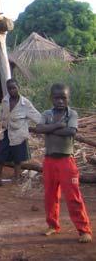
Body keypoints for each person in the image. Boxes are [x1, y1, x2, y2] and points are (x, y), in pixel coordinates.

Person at [35, 83, 92, 244]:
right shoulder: (47, 113)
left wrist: (50, 129)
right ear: (51, 98)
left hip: (66, 161)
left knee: (73, 196)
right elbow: (39, 129)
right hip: (49, 161)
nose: (60, 101)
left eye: (63, 98)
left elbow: (71, 132)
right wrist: (59, 126)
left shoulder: (72, 114)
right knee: (50, 195)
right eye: (57, 98)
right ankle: (53, 225)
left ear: (68, 98)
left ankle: (84, 230)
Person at [0, 79, 41, 188]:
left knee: (17, 159)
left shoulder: (25, 103)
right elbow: (2, 114)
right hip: (6, 133)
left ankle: (17, 178)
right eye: (9, 88)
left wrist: (46, 125)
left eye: (14, 88)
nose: (12, 90)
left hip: (19, 134)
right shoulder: (5, 101)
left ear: (18, 88)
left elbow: (37, 116)